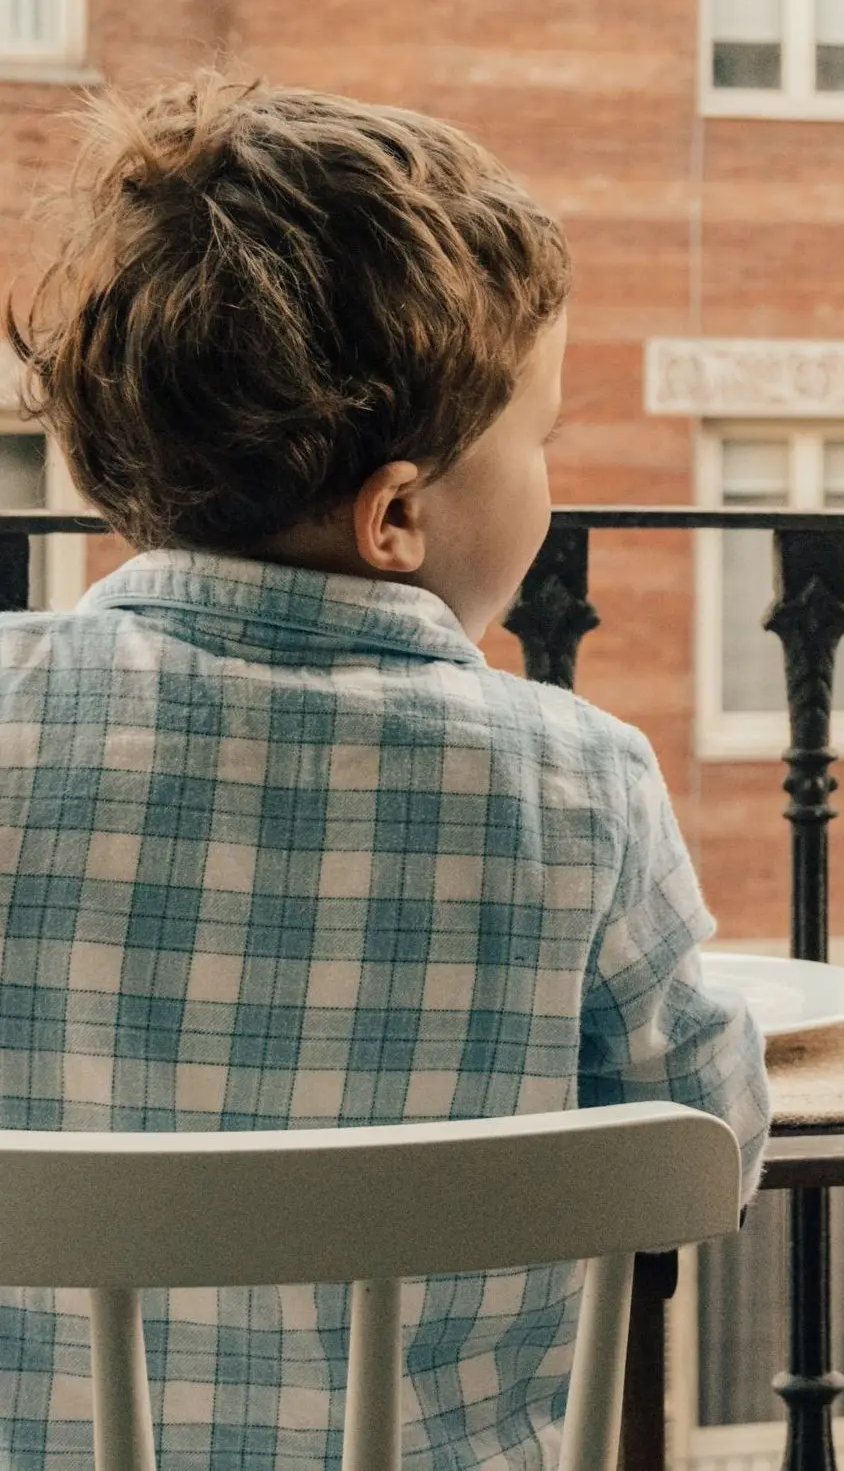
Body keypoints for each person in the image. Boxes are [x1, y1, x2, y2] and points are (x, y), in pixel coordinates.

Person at [0, 73, 769, 1466]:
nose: (550, 474)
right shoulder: (578, 788)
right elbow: (700, 1155)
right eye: (541, 438)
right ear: (399, 512)